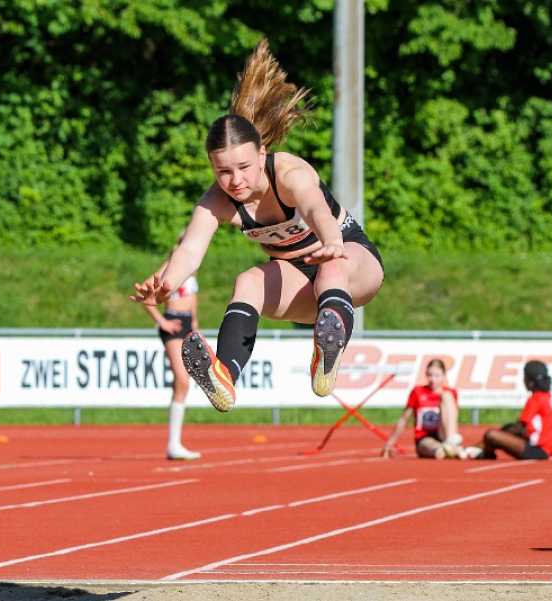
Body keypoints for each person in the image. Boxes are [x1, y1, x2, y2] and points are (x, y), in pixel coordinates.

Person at [130, 39, 384, 412]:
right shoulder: (216, 199)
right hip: (298, 282)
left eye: (244, 168)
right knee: (247, 281)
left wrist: (331, 240)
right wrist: (168, 283)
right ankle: (225, 377)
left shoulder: (288, 172)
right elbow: (190, 250)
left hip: (351, 262)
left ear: (262, 153)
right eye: (223, 172)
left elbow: (315, 207)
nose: (234, 181)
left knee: (331, 268)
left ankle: (329, 349)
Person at [142, 232, 202, 460]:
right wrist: (161, 320)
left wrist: (195, 323)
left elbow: (193, 297)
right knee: (183, 381)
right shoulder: (169, 266)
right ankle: (173, 444)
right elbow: (147, 290)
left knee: (183, 384)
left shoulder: (191, 268)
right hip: (173, 322)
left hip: (187, 324)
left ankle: (175, 444)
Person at [463, 360, 552, 460]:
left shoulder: (535, 399)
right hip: (544, 447)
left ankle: (477, 450)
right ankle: (475, 449)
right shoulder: (546, 395)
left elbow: (519, 428)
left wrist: (496, 439)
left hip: (537, 449)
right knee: (506, 428)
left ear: (529, 380)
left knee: (491, 435)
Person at [381, 359, 465, 459]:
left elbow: (453, 417)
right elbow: (404, 419)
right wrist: (390, 443)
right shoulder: (418, 391)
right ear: (426, 375)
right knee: (438, 452)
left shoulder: (451, 393)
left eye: (437, 376)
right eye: (430, 375)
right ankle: (447, 449)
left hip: (444, 434)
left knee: (446, 395)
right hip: (425, 437)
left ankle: (451, 443)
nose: (433, 379)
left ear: (444, 376)